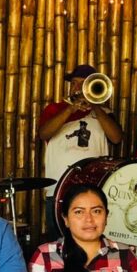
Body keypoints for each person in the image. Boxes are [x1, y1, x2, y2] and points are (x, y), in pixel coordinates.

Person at [28, 183, 137, 272]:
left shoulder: (125, 254)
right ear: (66, 219)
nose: (89, 219)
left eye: (96, 211)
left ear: (106, 216)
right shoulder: (45, 254)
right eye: (79, 212)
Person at [37, 63, 124, 234]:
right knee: (58, 240)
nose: (77, 88)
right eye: (74, 83)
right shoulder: (55, 109)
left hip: (94, 188)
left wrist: (95, 107)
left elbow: (116, 138)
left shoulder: (104, 113)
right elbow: (44, 133)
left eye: (83, 84)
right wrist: (71, 109)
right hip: (58, 188)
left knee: (93, 236)